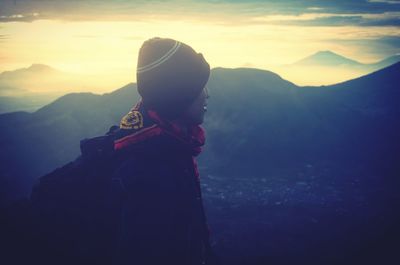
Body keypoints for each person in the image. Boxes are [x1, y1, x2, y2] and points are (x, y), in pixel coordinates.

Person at [112, 37, 215, 265]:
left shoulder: (163, 145)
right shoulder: (152, 174)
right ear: (178, 97)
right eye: (199, 87)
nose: (207, 94)